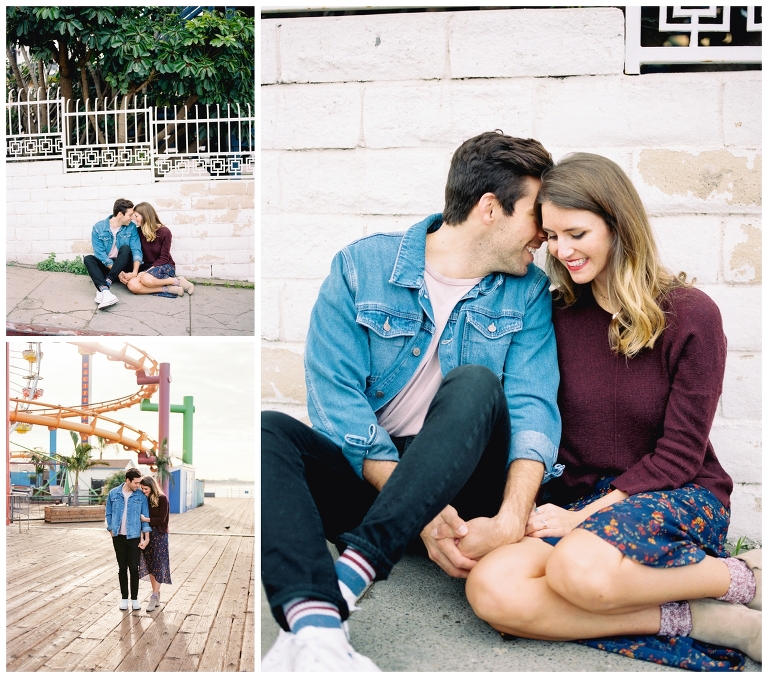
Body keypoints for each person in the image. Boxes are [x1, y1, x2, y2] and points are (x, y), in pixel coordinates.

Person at [261, 131, 562, 671]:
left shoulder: (528, 292)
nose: (544, 235)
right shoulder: (361, 268)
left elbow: (533, 407)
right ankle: (316, 626)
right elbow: (335, 401)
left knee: (475, 383)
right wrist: (415, 508)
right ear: (490, 209)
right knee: (268, 430)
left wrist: (511, 518)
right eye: (536, 216)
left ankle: (350, 577)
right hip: (374, 479)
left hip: (465, 489)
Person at [464, 153, 762, 667]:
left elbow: (680, 454)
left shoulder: (690, 315)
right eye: (551, 236)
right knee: (492, 589)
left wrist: (583, 518)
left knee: (578, 570)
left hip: (674, 492)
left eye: (577, 233)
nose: (562, 250)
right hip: (579, 497)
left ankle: (744, 576)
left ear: (618, 224)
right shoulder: (553, 314)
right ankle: (711, 618)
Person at [121, 202, 194, 298]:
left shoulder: (165, 232)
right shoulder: (138, 231)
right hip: (146, 268)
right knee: (132, 285)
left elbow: (164, 258)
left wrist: (146, 272)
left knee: (146, 279)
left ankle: (177, 281)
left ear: (145, 216)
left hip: (163, 266)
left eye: (136, 216)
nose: (134, 219)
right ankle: (169, 289)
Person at [105, 468, 152, 611]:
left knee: (134, 569)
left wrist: (146, 538)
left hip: (134, 537)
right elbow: (108, 513)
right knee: (122, 568)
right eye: (136, 483)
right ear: (128, 480)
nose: (138, 485)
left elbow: (145, 518)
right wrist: (111, 529)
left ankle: (135, 599)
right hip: (118, 537)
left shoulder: (141, 496)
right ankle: (124, 599)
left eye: (139, 482)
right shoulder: (113, 493)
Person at [83, 198, 143, 310]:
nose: (132, 218)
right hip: (108, 266)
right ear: (120, 214)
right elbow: (100, 254)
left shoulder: (131, 227)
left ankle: (105, 284)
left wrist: (134, 272)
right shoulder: (98, 228)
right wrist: (117, 273)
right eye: (130, 215)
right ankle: (105, 292)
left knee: (125, 248)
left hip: (124, 265)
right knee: (88, 259)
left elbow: (136, 250)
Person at [137, 475, 171, 612]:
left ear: (152, 486)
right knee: (150, 565)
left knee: (158, 565)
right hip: (148, 535)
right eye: (142, 489)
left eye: (145, 488)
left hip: (160, 535)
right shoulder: (145, 499)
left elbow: (162, 519)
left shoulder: (162, 498)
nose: (144, 491)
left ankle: (153, 596)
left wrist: (146, 519)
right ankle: (156, 593)